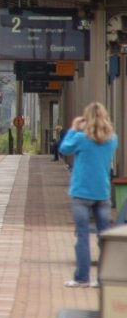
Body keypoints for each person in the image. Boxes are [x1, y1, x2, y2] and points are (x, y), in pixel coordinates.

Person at [59, 102, 118, 287]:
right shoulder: (112, 139)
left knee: (83, 235)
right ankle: (103, 279)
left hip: (81, 193)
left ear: (87, 119)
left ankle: (82, 278)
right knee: (104, 238)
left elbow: (64, 149)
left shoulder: (80, 138)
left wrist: (73, 128)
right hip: (102, 194)